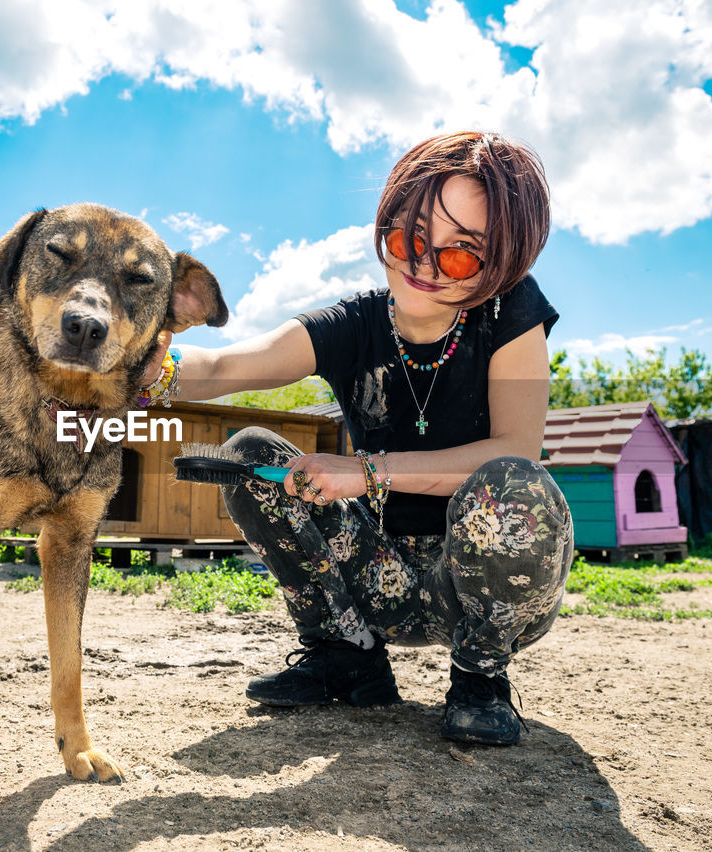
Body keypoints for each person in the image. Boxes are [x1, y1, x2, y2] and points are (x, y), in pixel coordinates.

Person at [138, 130, 574, 746]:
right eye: (411, 237)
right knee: (253, 455)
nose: (424, 264)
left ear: (502, 264)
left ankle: (481, 680)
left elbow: (516, 449)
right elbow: (229, 366)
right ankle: (347, 656)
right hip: (381, 577)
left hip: (480, 588)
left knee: (516, 482)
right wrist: (153, 365)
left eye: (461, 253)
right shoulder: (354, 323)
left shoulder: (513, 313)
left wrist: (367, 471)